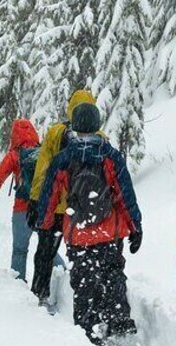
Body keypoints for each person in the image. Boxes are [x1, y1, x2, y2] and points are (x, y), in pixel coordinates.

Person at [37, 102, 143, 346]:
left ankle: (89, 328)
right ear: (98, 125)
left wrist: (45, 223)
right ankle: (118, 319)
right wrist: (135, 227)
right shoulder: (110, 156)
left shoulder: (63, 159)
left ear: (74, 126)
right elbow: (126, 195)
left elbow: (49, 195)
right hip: (110, 232)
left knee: (84, 281)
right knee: (113, 274)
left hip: (78, 233)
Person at [27, 90, 102, 306]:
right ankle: (86, 303)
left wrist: (35, 201)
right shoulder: (100, 138)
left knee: (45, 252)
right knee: (84, 256)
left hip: (55, 209)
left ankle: (39, 294)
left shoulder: (55, 132)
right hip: (83, 212)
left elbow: (42, 171)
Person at [0, 119, 62, 280]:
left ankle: (19, 291)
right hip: (43, 209)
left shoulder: (14, 156)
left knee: (20, 251)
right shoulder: (43, 152)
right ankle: (63, 278)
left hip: (22, 211)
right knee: (48, 248)